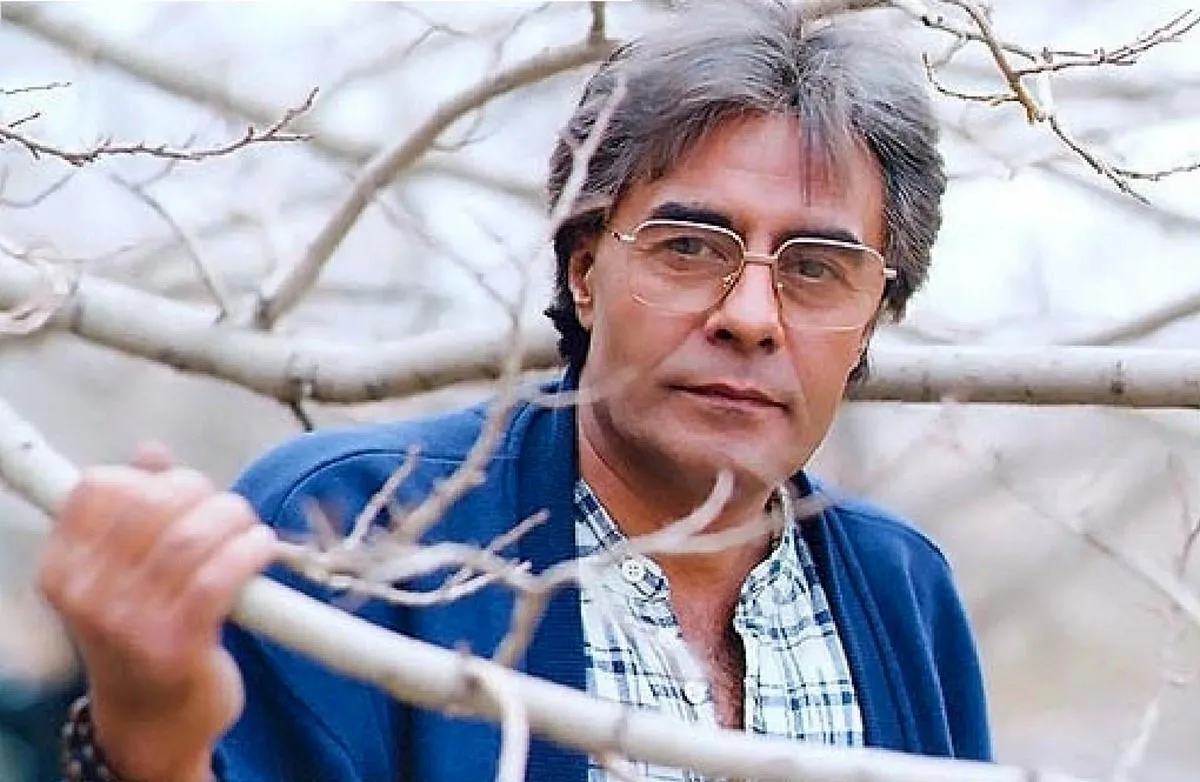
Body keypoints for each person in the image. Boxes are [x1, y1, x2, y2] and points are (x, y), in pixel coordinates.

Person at [38, 2, 991, 780]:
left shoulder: (901, 592)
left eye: (815, 268)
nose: (750, 316)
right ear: (585, 270)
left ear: (873, 317)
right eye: (690, 248)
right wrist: (154, 745)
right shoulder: (357, 536)